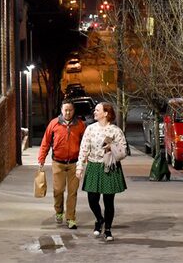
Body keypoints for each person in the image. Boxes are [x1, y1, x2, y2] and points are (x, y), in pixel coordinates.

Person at [76, 102, 127, 242]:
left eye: (97, 110)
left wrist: (112, 146)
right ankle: (99, 219)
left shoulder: (116, 131)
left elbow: (123, 151)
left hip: (109, 167)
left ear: (106, 113)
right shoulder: (90, 129)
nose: (94, 112)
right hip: (93, 165)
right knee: (92, 199)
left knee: (108, 201)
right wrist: (79, 166)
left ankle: (108, 229)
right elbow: (84, 148)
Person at [38, 100, 86, 229]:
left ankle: (71, 218)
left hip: (75, 163)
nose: (68, 112)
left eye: (70, 110)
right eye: (65, 110)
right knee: (58, 190)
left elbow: (86, 143)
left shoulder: (80, 125)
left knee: (72, 192)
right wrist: (41, 158)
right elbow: (46, 142)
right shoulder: (54, 124)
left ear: (73, 111)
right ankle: (59, 211)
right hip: (58, 163)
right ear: (61, 110)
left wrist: (85, 158)